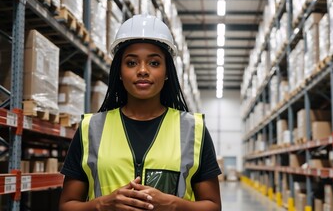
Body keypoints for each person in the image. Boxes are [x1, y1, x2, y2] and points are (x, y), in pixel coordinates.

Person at [59, 14, 222, 211]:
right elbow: (67, 205)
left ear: (167, 71)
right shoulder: (90, 129)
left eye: (154, 63)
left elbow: (213, 206)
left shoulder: (193, 130)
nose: (143, 70)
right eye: (131, 63)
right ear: (119, 72)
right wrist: (103, 204)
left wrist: (172, 204)